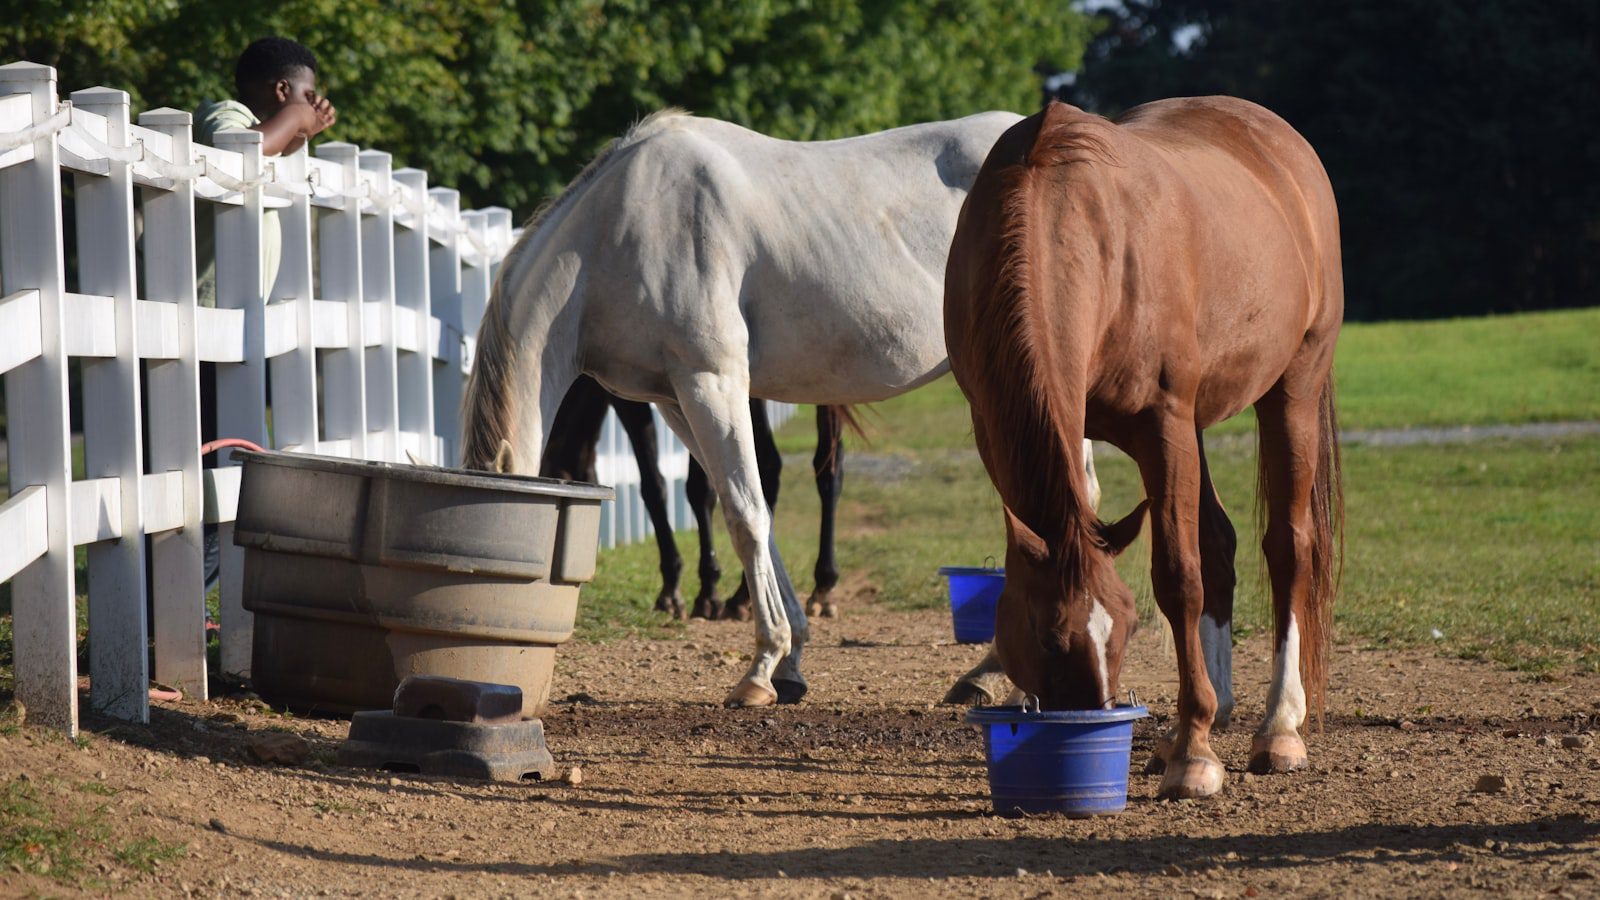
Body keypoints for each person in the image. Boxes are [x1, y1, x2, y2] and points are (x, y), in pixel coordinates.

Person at [191, 37, 336, 591]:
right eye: (306, 94)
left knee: (234, 463)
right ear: (281, 90)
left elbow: (269, 150)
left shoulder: (274, 138)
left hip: (236, 334)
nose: (313, 104)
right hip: (204, 329)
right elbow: (236, 152)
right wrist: (295, 119)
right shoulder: (226, 116)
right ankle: (166, 612)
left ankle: (185, 602)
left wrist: (298, 130)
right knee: (212, 466)